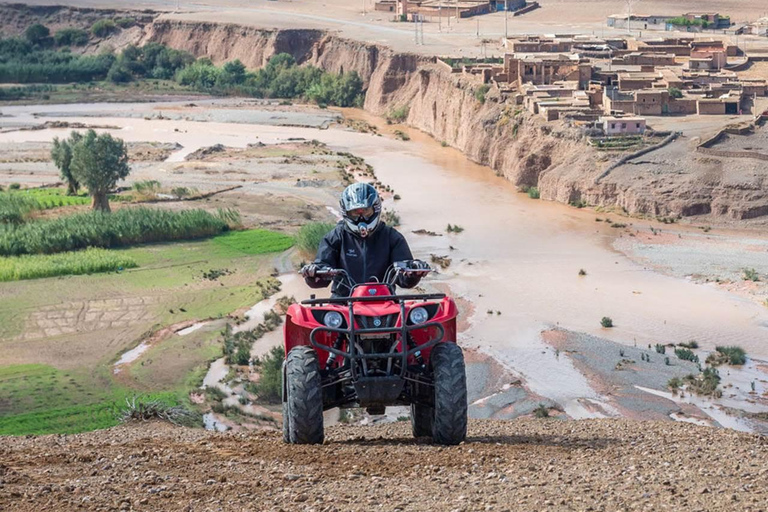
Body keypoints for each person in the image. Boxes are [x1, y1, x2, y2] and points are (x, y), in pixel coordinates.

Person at [301, 183, 429, 296]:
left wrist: (414, 271)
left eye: (366, 212)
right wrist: (313, 273)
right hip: (344, 302)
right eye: (355, 213)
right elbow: (321, 272)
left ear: (376, 209)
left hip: (385, 301)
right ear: (346, 213)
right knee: (313, 320)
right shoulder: (335, 237)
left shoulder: (392, 237)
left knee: (417, 319)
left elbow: (404, 280)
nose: (361, 218)